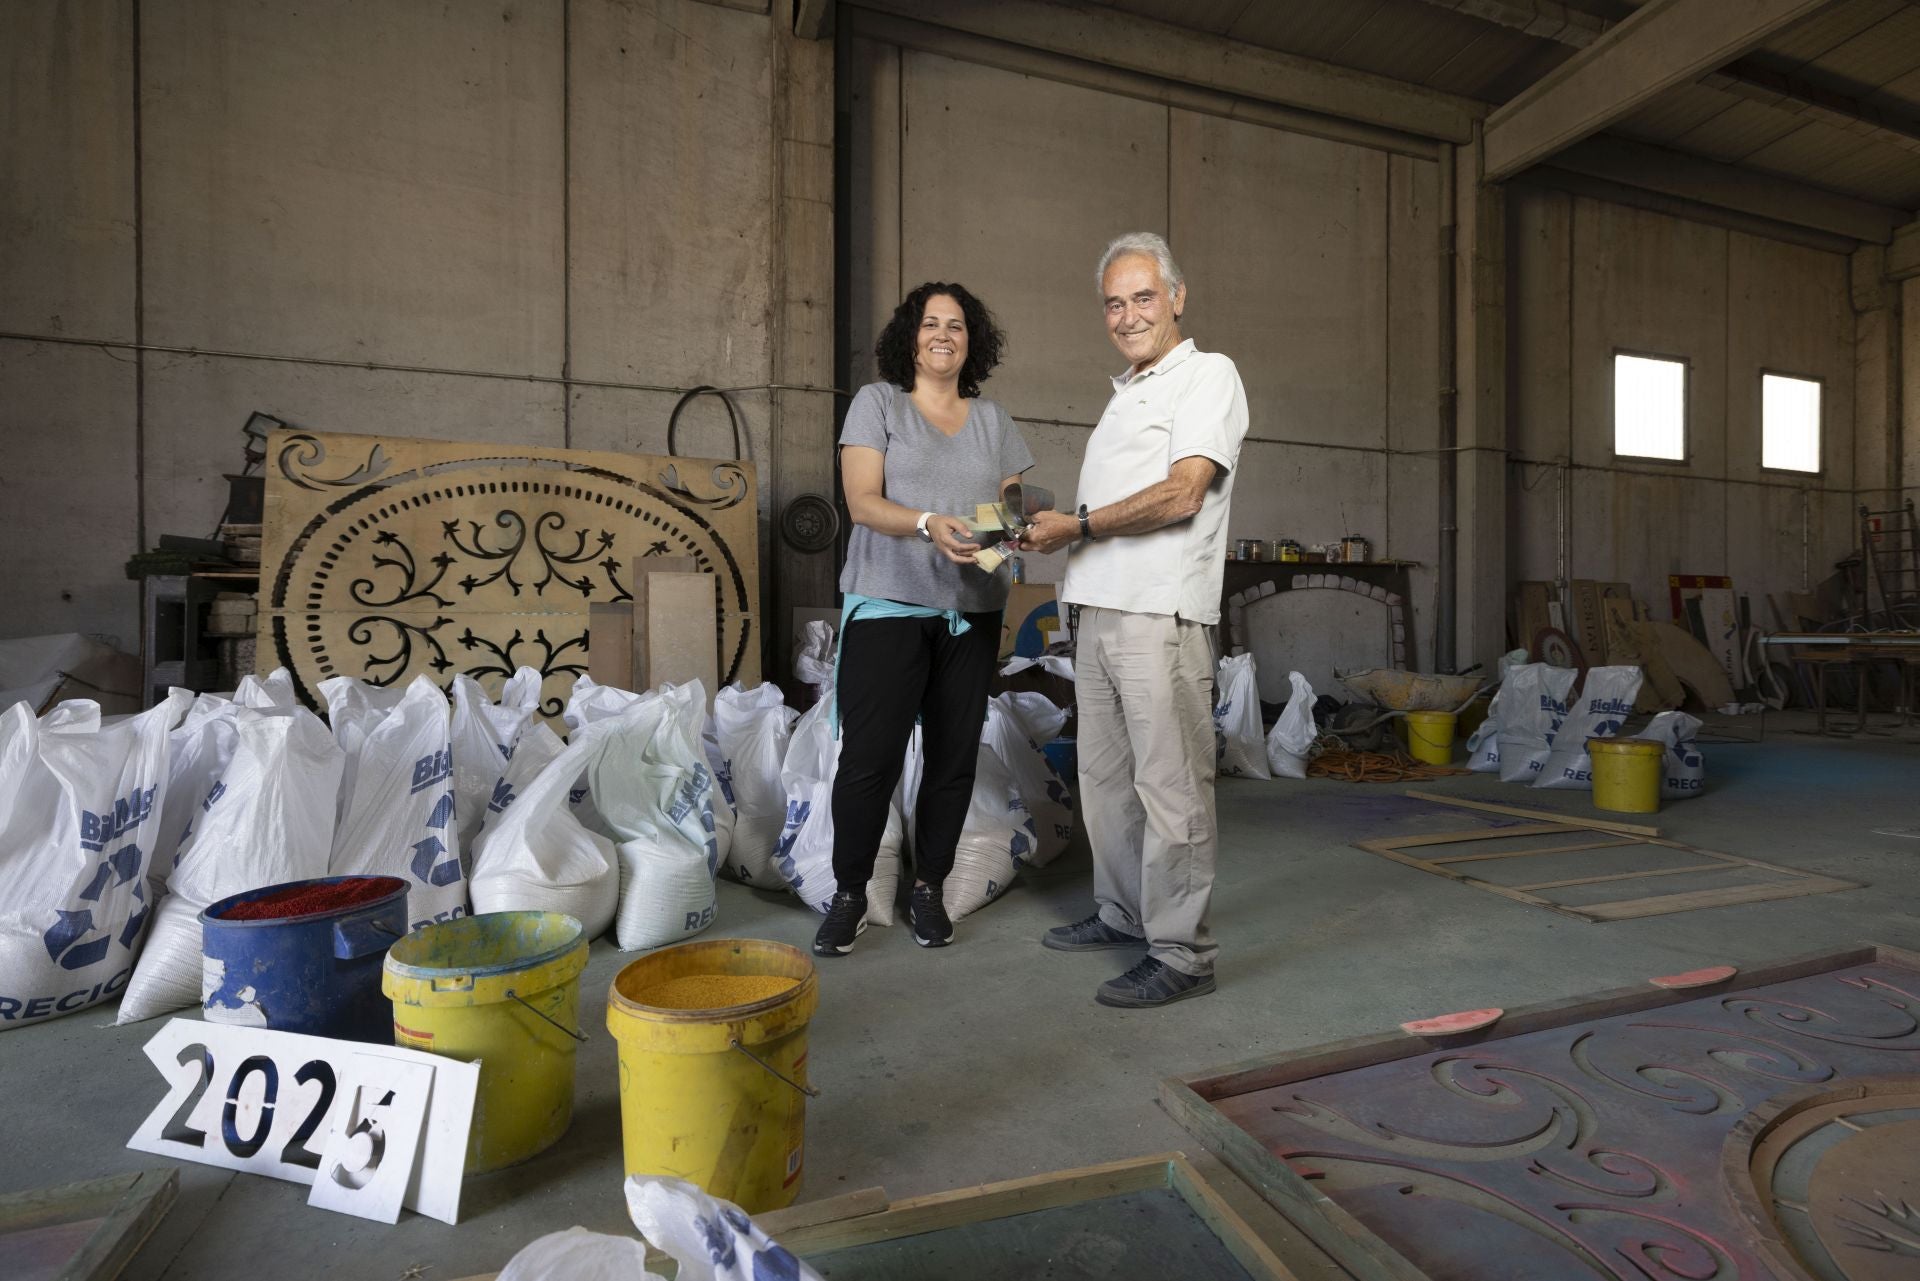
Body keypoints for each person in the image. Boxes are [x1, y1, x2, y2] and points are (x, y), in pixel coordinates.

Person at [1017, 232, 1248, 1008]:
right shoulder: (1126, 394)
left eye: (1143, 297)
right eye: (1114, 303)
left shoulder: (1207, 376)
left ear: (1177, 297)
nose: (1127, 315)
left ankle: (1183, 953)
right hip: (1096, 612)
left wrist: (1075, 526)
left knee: (1172, 785)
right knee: (1106, 781)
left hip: (1159, 614)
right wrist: (1056, 533)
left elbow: (1184, 492)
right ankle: (1123, 912)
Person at [814, 281, 1034, 957]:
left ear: (974, 340)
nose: (944, 334)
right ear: (910, 335)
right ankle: (850, 893)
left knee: (952, 759)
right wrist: (926, 522)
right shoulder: (879, 404)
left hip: (972, 610)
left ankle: (929, 887)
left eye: (958, 325)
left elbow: (1011, 496)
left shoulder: (992, 418)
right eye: (931, 322)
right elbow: (861, 500)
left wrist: (1010, 524)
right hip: (889, 605)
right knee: (868, 760)